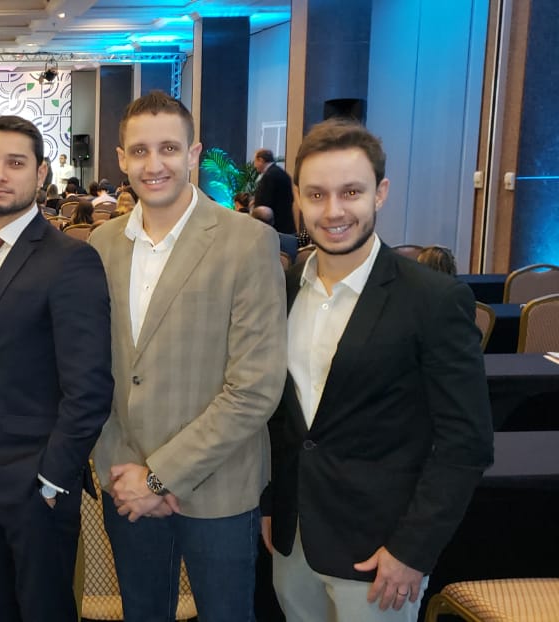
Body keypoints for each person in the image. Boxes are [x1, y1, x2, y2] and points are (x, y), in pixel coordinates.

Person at [263, 119, 493, 622]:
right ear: (297, 198)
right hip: (293, 538)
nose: (333, 211)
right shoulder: (283, 288)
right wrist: (269, 504)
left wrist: (414, 548)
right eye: (317, 194)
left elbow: (467, 442)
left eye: (351, 192)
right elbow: (280, 416)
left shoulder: (433, 299)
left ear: (380, 193)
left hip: (380, 552)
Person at [88, 90, 287, 621]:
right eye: (140, 151)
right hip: (127, 478)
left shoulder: (248, 242)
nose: (154, 164)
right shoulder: (101, 245)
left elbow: (255, 389)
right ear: (121, 158)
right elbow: (96, 371)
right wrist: (121, 470)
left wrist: (160, 476)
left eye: (169, 149)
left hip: (218, 486)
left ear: (194, 153)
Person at [0, 115, 113, 622]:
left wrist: (53, 478)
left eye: (15, 163)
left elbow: (89, 387)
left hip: (37, 482)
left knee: (44, 610)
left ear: (40, 174)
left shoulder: (70, 260)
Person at [254, 149, 296, 235]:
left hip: (274, 228)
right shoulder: (281, 173)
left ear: (261, 160)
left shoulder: (269, 176)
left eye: (255, 161)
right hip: (285, 225)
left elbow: (265, 203)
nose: (254, 165)